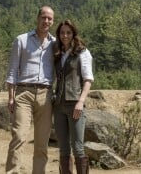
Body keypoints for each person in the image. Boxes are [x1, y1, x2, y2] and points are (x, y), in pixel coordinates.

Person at [5, 6, 55, 174]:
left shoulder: (55, 44)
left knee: (41, 144)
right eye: (43, 17)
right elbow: (12, 70)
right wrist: (11, 96)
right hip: (23, 93)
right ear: (37, 18)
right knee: (19, 137)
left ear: (52, 21)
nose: (46, 21)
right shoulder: (21, 40)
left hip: (46, 95)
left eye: (49, 18)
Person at [53, 19, 94, 174]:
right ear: (59, 34)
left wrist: (80, 101)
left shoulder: (82, 52)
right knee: (63, 148)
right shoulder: (58, 53)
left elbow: (88, 79)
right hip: (58, 106)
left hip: (75, 104)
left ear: (73, 34)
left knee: (77, 147)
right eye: (62, 32)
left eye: (68, 32)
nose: (65, 35)